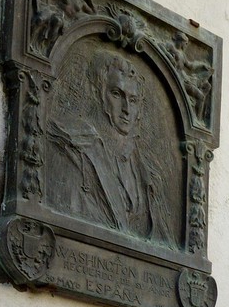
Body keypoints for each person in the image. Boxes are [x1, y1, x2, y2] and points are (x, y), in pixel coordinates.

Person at [48, 50, 174, 245]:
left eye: (133, 100)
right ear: (98, 94)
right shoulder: (72, 146)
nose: (126, 109)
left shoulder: (148, 172)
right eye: (117, 94)